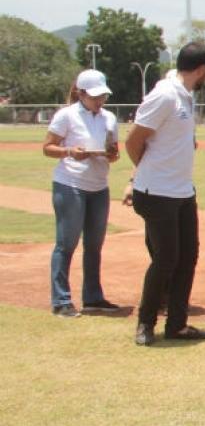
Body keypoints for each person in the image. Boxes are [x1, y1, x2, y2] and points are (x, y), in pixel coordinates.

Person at [125, 42, 205, 346]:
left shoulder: (185, 96)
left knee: (188, 257)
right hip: (156, 191)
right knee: (166, 259)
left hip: (182, 190)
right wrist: (146, 171)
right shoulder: (164, 94)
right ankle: (145, 323)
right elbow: (133, 140)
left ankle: (177, 325)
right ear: (201, 69)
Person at [43, 69, 122, 317]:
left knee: (94, 245)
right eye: (95, 97)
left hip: (99, 186)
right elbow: (48, 147)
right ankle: (61, 300)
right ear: (81, 93)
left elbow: (114, 151)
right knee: (66, 244)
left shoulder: (109, 118)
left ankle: (93, 297)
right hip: (70, 184)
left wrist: (111, 154)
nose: (100, 101)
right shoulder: (66, 115)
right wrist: (69, 152)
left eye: (103, 96)